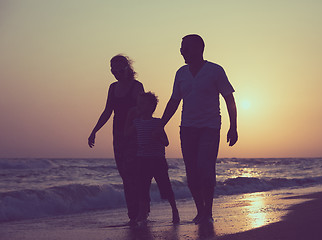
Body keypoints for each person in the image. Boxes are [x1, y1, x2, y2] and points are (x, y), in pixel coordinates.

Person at [160, 34, 238, 224]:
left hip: (210, 128)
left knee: (205, 168)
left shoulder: (215, 70)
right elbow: (174, 101)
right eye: (181, 48)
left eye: (185, 48)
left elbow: (229, 98)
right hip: (187, 128)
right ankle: (200, 210)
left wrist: (233, 127)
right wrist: (160, 125)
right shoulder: (180, 73)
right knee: (192, 172)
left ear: (199, 49)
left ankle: (208, 211)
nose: (182, 51)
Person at [88, 54, 144, 225]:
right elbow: (107, 111)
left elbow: (143, 111)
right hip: (118, 135)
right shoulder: (112, 87)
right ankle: (133, 214)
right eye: (113, 70)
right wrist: (94, 130)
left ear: (128, 68)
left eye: (120, 69)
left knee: (134, 173)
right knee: (125, 175)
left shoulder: (137, 86)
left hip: (134, 135)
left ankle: (139, 212)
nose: (117, 72)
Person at [125, 92, 180, 224]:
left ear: (151, 107)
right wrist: (129, 117)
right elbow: (126, 134)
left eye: (142, 104)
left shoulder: (158, 123)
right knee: (142, 187)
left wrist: (158, 137)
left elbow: (166, 142)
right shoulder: (136, 122)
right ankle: (142, 214)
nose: (139, 106)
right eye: (138, 103)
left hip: (157, 160)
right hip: (142, 159)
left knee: (165, 186)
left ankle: (174, 209)